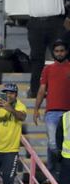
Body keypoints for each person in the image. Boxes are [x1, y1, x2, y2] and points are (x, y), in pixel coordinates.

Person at [13, 0, 67, 97]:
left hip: (56, 22)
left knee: (62, 56)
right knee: (36, 57)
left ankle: (64, 89)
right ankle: (36, 90)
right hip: (35, 24)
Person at [34, 40, 70, 176]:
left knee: (66, 145)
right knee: (53, 144)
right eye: (57, 51)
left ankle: (61, 172)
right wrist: (36, 109)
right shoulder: (48, 69)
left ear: (66, 52)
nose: (59, 53)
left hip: (69, 113)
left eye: (62, 51)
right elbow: (42, 90)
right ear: (53, 53)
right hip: (52, 112)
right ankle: (52, 172)